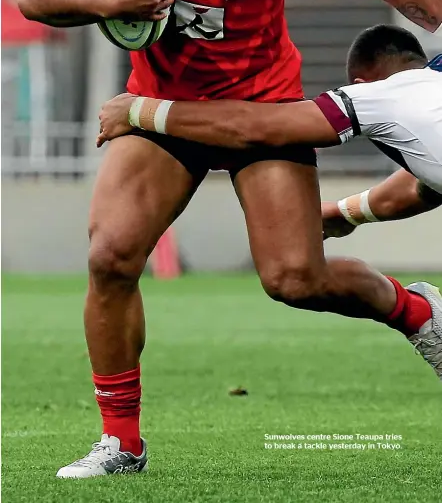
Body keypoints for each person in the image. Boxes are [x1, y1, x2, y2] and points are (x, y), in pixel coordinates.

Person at [18, 0, 442, 478]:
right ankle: (122, 443)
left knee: (294, 281)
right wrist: (104, 2)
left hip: (262, 110)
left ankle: (416, 312)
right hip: (162, 107)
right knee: (109, 256)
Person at [97, 24, 442, 373]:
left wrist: (139, 112)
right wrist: (345, 213)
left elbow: (256, 127)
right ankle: (418, 313)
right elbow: (422, 186)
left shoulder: (375, 97)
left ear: (360, 84)